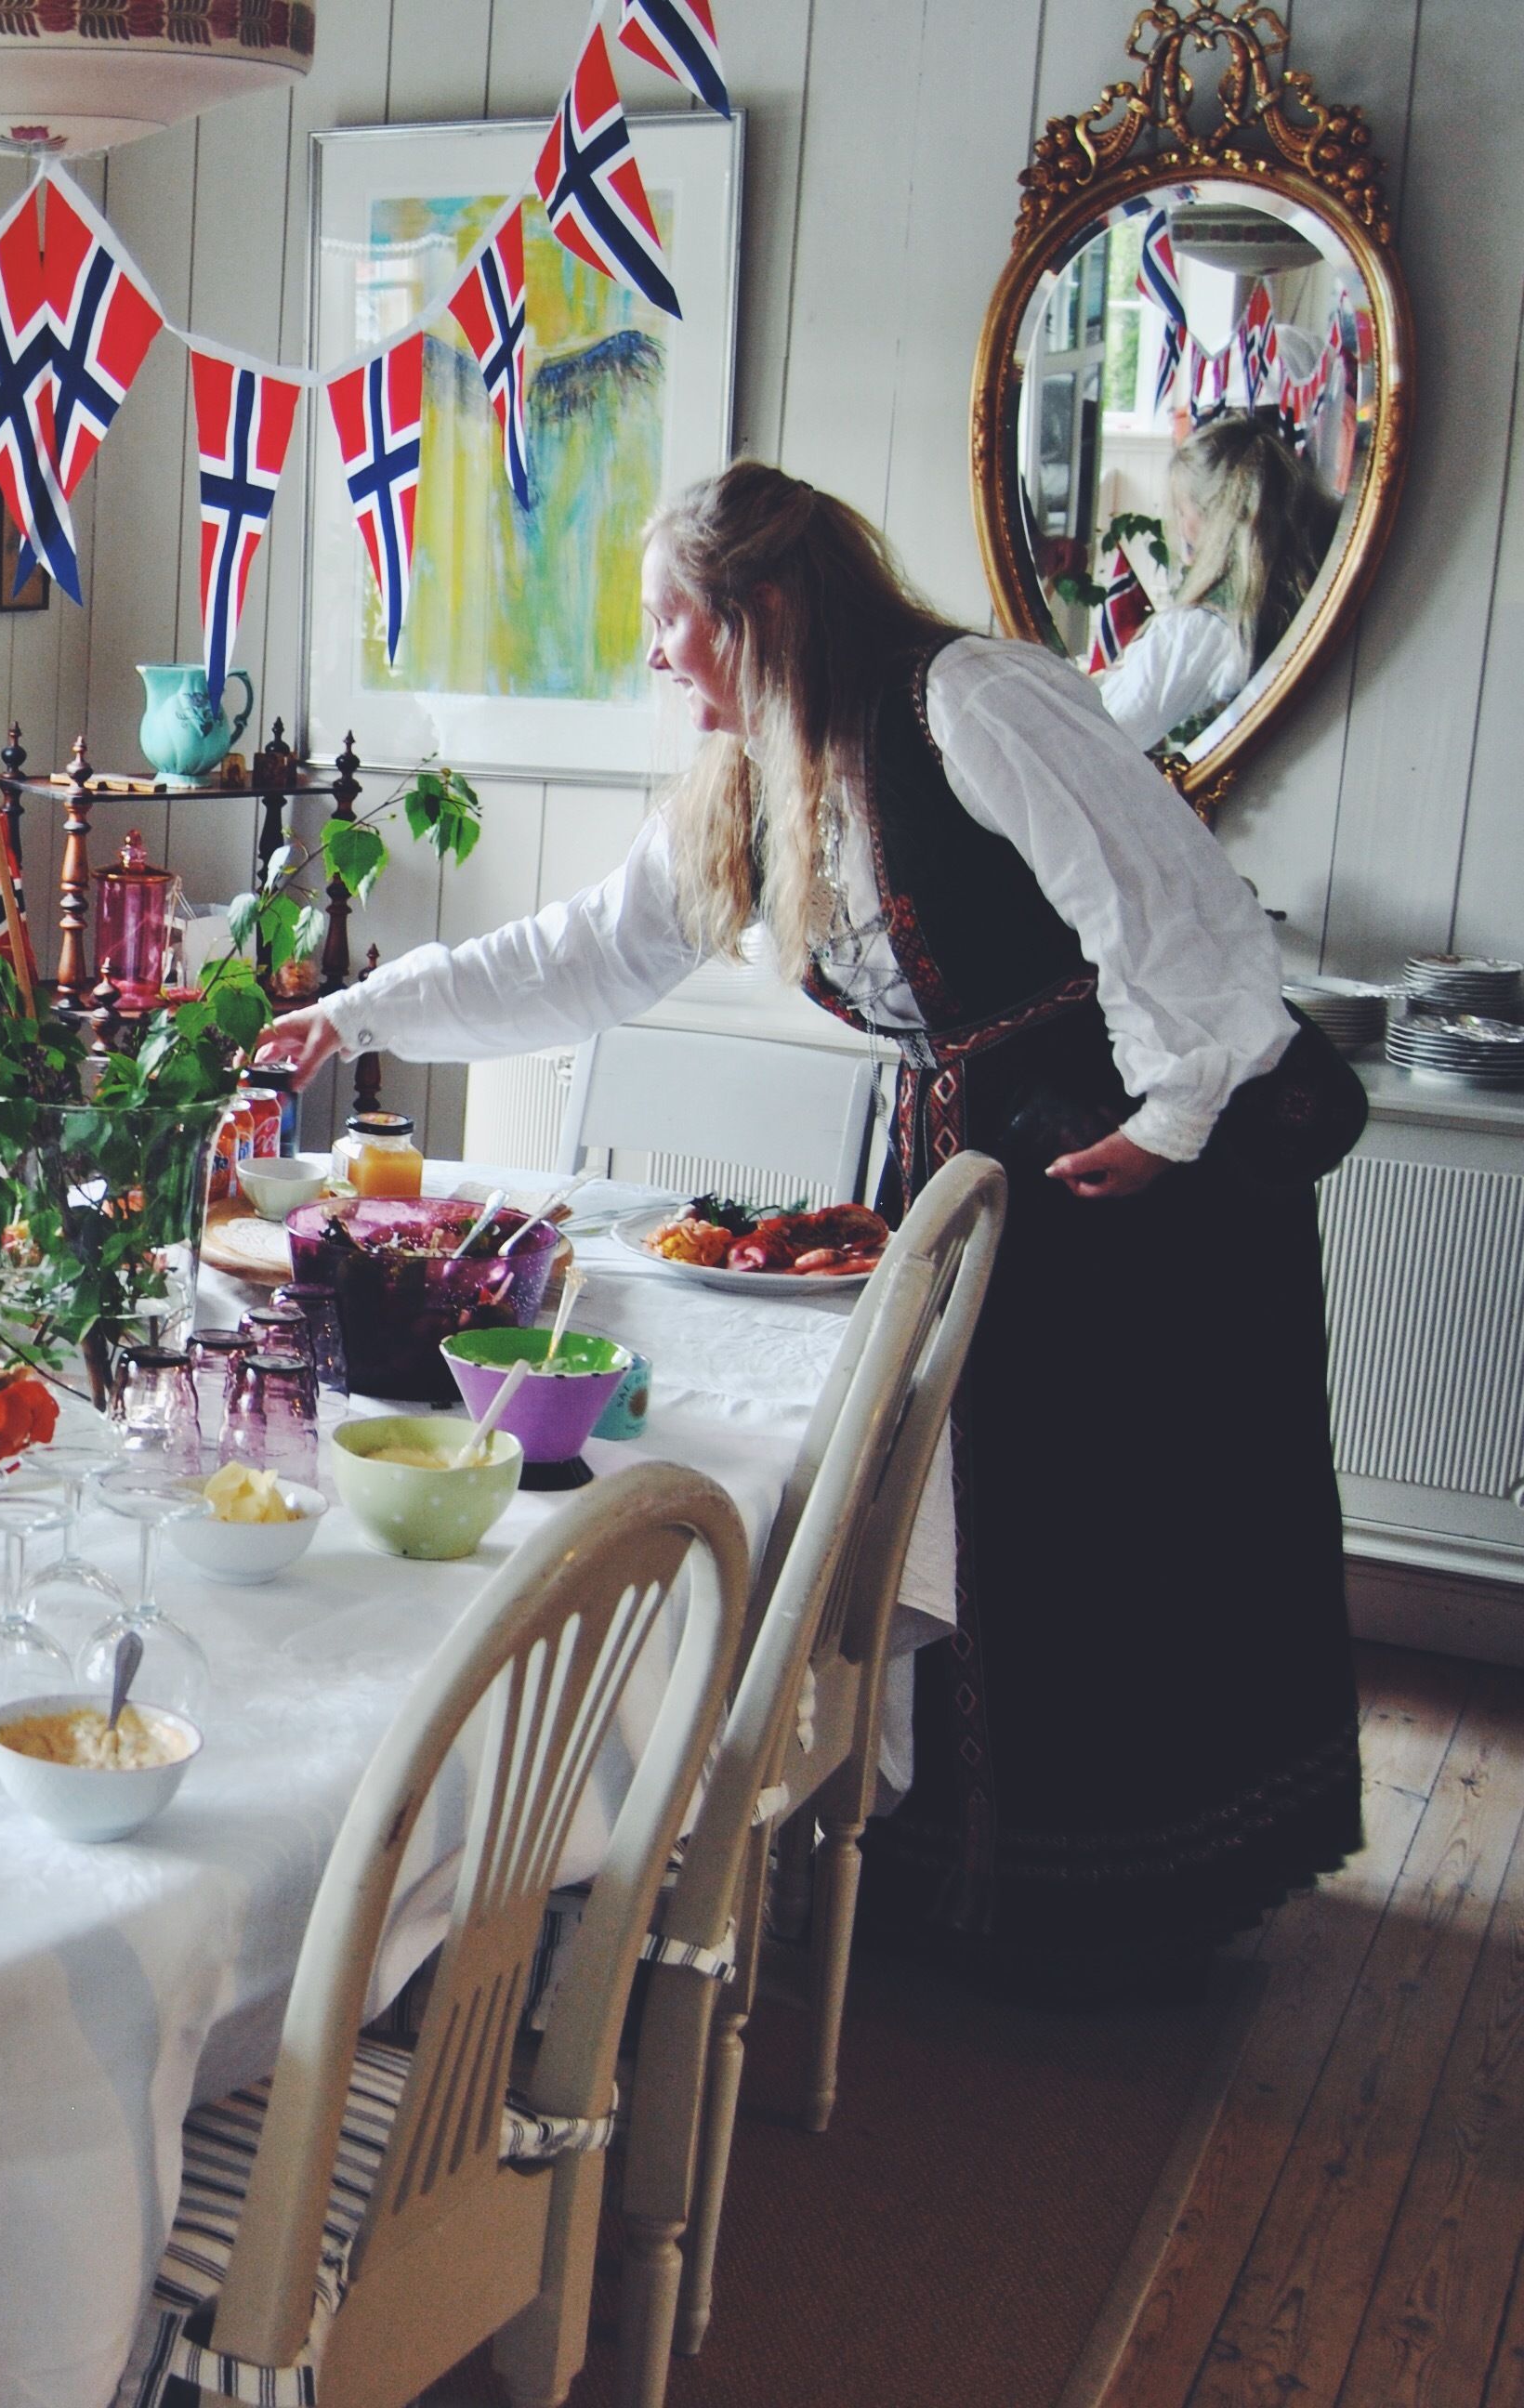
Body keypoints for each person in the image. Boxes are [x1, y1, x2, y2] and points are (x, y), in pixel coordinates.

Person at [256, 461, 1364, 2002]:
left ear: (763, 605)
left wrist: (1173, 1111)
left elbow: (1158, 893)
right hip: (972, 1169)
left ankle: (1130, 1901)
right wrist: (355, 1014)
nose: (654, 656)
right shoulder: (749, 777)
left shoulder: (966, 701)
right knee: (969, 1490)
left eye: (669, 620)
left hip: (1123, 1172)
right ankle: (959, 1865)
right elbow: (577, 958)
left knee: (1103, 1511)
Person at [1097, 408, 1335, 752]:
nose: (1182, 528)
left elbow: (1106, 733)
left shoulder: (1202, 630)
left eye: (1182, 511)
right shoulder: (1306, 589)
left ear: (1212, 514)